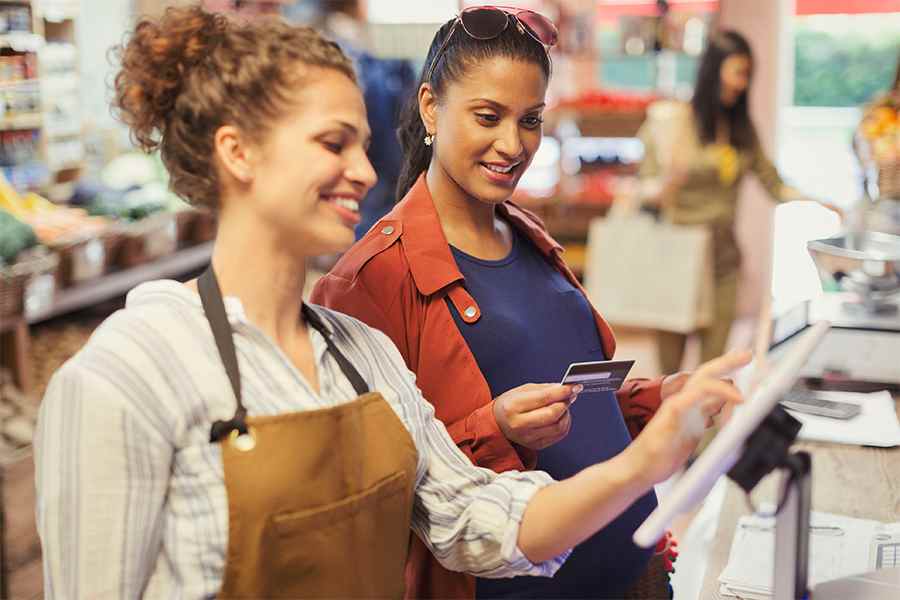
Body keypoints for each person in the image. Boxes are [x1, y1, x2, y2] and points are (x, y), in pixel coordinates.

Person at [34, 6, 748, 598]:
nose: (366, 172)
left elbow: (474, 517)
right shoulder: (124, 379)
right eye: (333, 143)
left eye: (364, 145)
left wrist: (644, 462)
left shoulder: (359, 357)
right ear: (237, 152)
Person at [312, 6, 729, 598]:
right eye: (488, 116)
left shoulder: (528, 235)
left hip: (634, 566)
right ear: (431, 107)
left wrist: (659, 398)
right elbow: (373, 490)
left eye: (529, 120)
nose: (513, 144)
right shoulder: (370, 281)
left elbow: (578, 396)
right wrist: (495, 427)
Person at [637, 29, 841, 375]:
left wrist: (822, 202)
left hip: (723, 261)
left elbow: (774, 184)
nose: (742, 83)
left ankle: (711, 433)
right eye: (737, 72)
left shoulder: (742, 130)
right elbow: (646, 189)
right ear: (713, 70)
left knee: (712, 372)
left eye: (747, 74)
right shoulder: (674, 121)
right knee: (669, 379)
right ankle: (667, 430)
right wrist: (671, 176)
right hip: (676, 257)